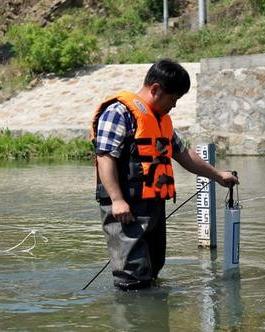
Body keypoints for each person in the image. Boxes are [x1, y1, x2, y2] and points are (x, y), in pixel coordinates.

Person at [90, 59, 238, 291]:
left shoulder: (160, 121)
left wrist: (217, 175)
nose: (174, 105)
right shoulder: (118, 112)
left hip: (153, 207)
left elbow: (183, 154)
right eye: (173, 99)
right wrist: (117, 200)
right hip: (125, 209)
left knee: (154, 266)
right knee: (133, 275)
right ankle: (134, 318)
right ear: (156, 89)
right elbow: (104, 157)